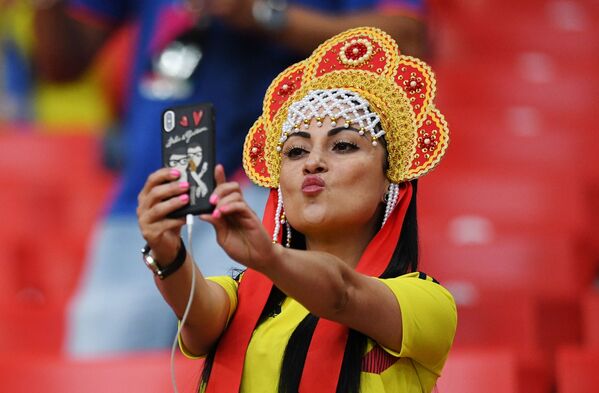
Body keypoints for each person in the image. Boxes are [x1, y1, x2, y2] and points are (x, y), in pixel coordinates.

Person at [34, 0, 429, 356]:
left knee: (245, 360)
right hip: (151, 197)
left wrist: (261, 13)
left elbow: (404, 41)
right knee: (101, 371)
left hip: (273, 193)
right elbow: (61, 65)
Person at [137, 27, 456, 392]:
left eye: (344, 146)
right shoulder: (240, 297)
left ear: (390, 183)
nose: (313, 163)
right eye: (296, 151)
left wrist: (270, 258)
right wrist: (166, 250)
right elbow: (198, 315)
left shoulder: (427, 302)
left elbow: (343, 294)